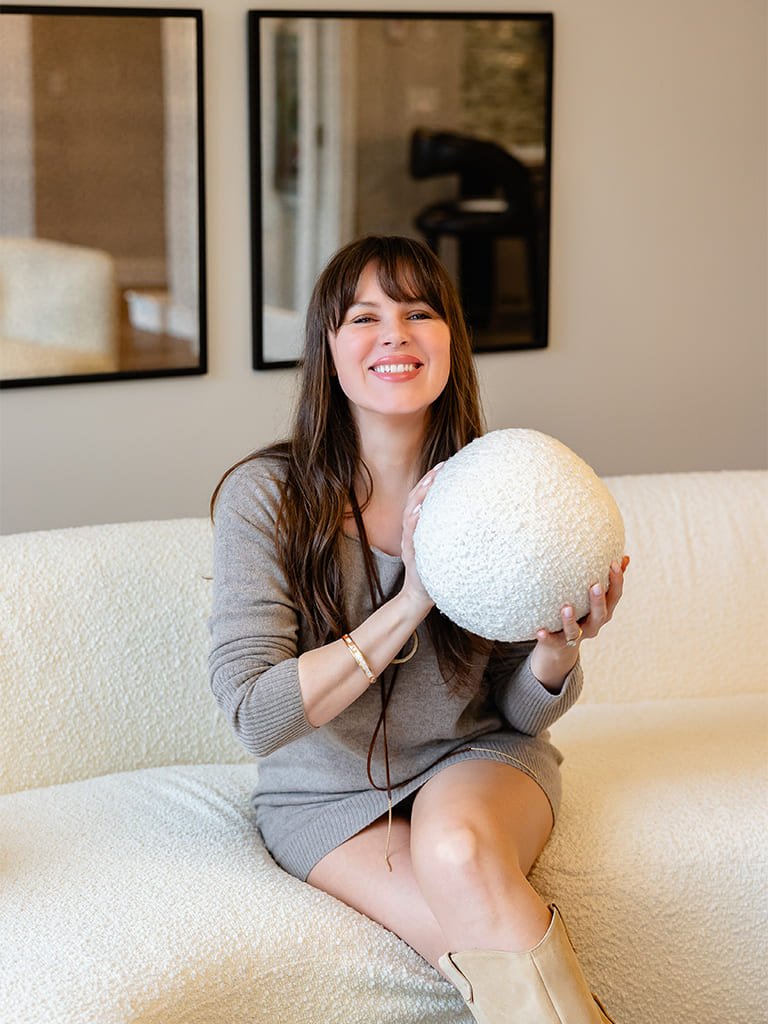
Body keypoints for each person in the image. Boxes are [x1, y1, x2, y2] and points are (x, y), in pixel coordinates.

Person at [209, 235, 627, 1023]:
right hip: (324, 803)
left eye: (419, 312)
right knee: (494, 958)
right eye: (364, 316)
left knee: (460, 853)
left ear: (449, 343)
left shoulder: (497, 486)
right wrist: (413, 596)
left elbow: (516, 712)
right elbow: (255, 714)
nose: (394, 333)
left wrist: (553, 653)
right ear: (327, 351)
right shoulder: (265, 498)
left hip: (478, 761)